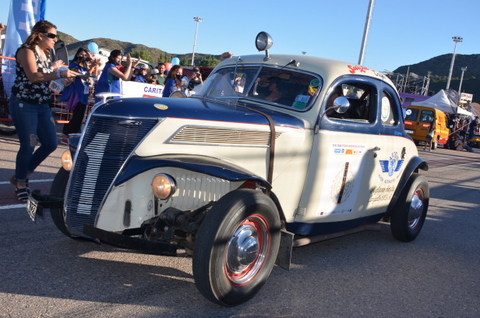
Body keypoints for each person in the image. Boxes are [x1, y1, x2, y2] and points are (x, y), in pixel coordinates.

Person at [9, 20, 79, 202]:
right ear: (40, 35)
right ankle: (21, 183)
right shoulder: (26, 51)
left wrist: (60, 82)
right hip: (24, 104)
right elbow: (33, 76)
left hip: (42, 105)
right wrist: (58, 74)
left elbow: (46, 80)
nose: (56, 39)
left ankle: (20, 175)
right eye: (52, 35)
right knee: (29, 145)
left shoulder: (46, 54)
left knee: (50, 144)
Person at [60, 47, 99, 144]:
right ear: (77, 54)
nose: (83, 56)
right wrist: (92, 67)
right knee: (76, 116)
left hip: (84, 93)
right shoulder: (74, 65)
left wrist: (94, 65)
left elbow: (93, 75)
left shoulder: (84, 66)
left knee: (80, 116)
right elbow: (84, 76)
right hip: (76, 93)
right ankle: (66, 135)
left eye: (85, 55)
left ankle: (74, 135)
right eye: (82, 54)